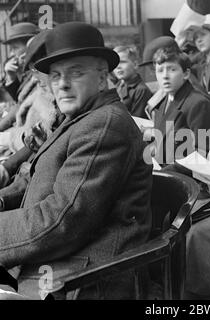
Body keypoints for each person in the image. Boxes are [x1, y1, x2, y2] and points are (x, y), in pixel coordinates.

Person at [0, 22, 152, 300]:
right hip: (54, 265)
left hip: (82, 279)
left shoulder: (104, 125)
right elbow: (34, 181)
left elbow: (60, 222)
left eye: (76, 72)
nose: (63, 84)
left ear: (103, 75)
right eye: (56, 76)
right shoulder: (77, 118)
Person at [150, 46, 210, 168]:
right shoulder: (164, 103)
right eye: (160, 70)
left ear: (186, 74)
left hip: (187, 180)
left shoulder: (199, 104)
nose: (165, 76)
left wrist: (164, 173)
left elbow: (204, 153)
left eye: (172, 70)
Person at [113, 45, 152, 118]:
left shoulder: (141, 90)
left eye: (122, 62)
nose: (118, 67)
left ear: (135, 64)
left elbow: (138, 120)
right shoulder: (119, 86)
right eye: (116, 63)